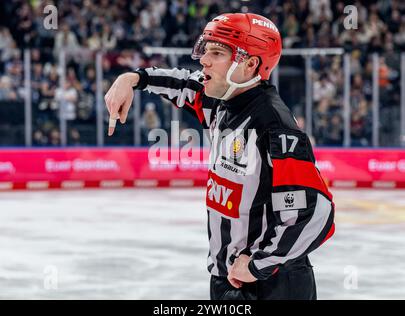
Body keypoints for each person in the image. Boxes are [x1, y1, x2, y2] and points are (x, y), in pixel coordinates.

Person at [104, 13, 335, 300]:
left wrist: (257, 265)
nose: (203, 60)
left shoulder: (273, 126)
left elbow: (314, 213)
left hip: (271, 286)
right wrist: (133, 79)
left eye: (216, 53)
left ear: (250, 64)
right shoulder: (221, 101)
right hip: (227, 278)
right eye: (205, 49)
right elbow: (184, 86)